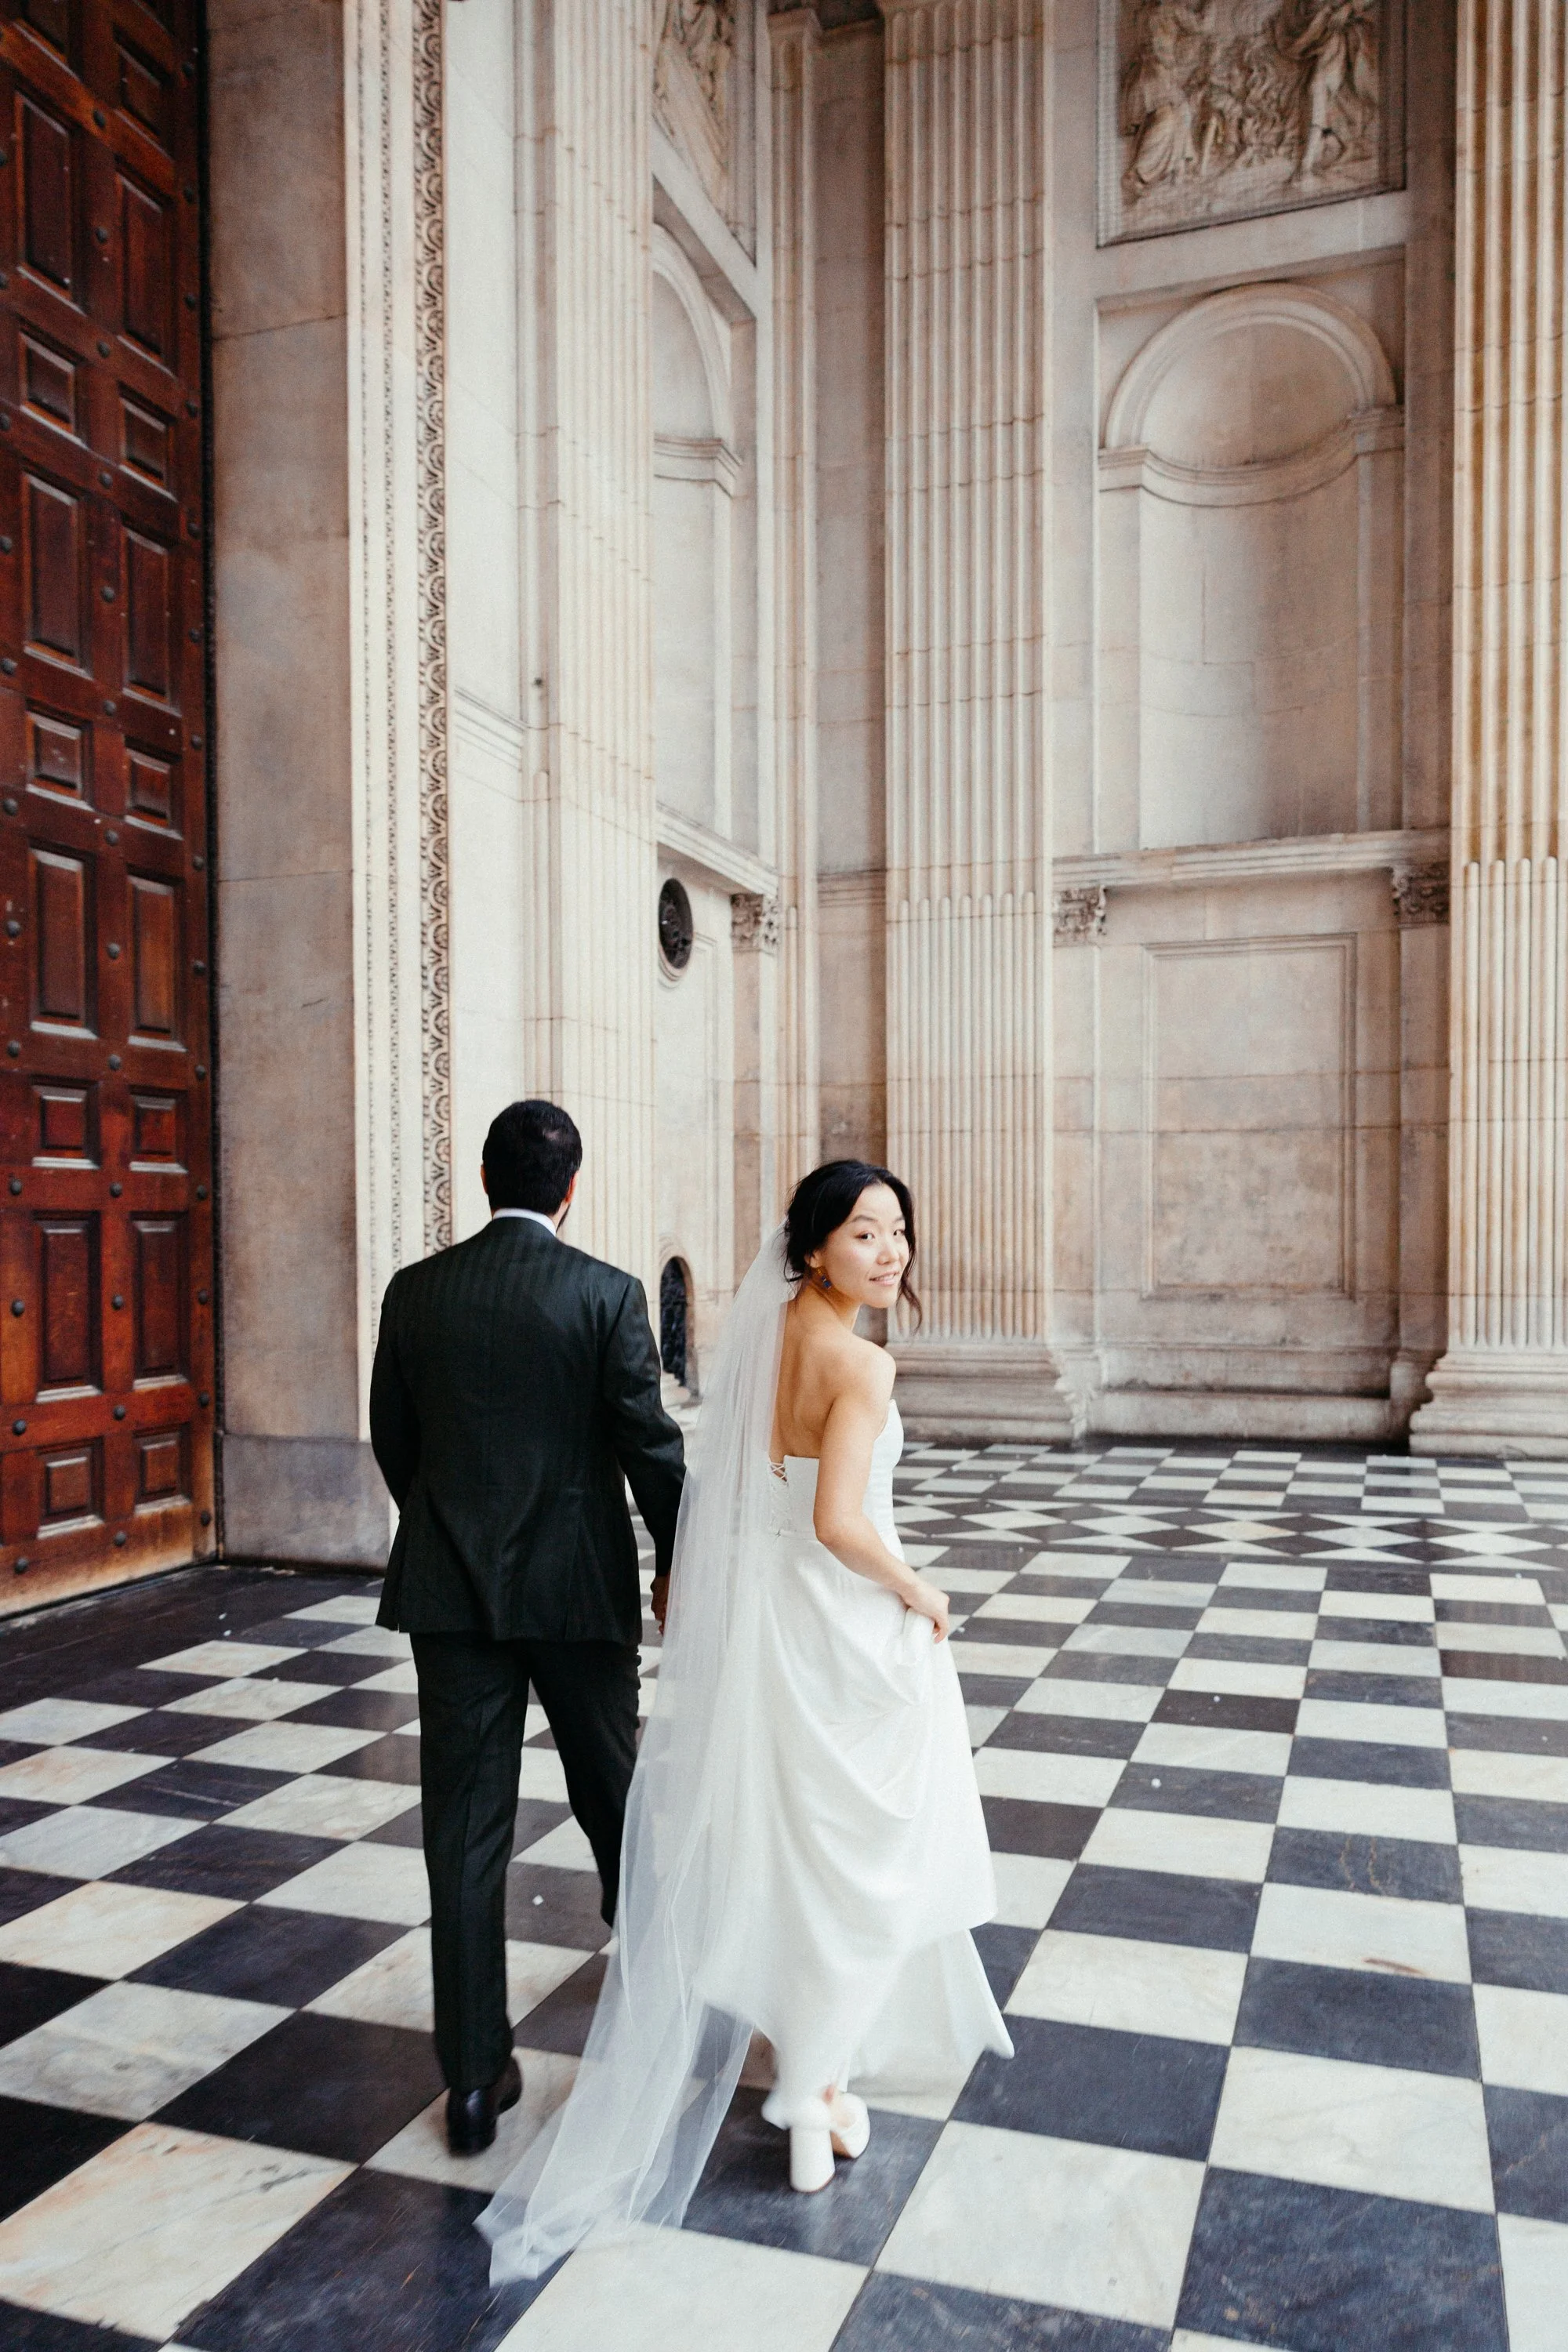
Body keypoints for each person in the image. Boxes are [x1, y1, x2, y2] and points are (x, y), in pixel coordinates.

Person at [481, 1160, 1010, 2276]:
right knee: (860, 1845)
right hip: (838, 1617)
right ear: (815, 1247)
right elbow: (838, 1523)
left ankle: (806, 2072)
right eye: (866, 1234)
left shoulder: (771, 1337)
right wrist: (922, 1591)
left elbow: (756, 1495)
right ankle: (816, 2084)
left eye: (899, 1231)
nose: (890, 1251)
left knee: (787, 1832)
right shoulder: (863, 1363)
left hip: (772, 1625)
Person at [370, 1098, 685, 2156]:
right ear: (571, 1187)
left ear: (482, 1179)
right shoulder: (606, 1295)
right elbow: (649, 1445)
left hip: (451, 1592)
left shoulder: (417, 1293)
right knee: (615, 1803)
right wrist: (676, 1560)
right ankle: (658, 2018)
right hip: (577, 1590)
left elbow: (394, 1442)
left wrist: (455, 1523)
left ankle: (470, 2081)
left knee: (463, 1834)